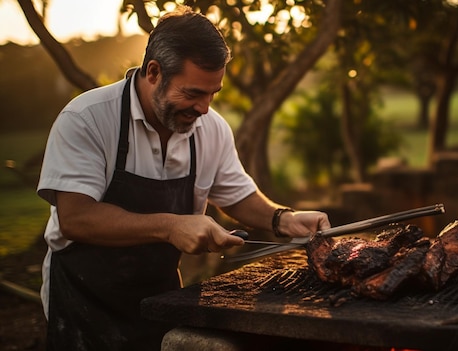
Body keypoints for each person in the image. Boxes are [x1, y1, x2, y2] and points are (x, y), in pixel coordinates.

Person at [36, 6, 330, 351]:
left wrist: (284, 218)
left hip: (161, 299)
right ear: (154, 72)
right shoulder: (86, 119)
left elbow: (236, 194)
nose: (204, 108)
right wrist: (172, 226)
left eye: (212, 94)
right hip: (84, 304)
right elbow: (76, 218)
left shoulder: (211, 128)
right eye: (192, 93)